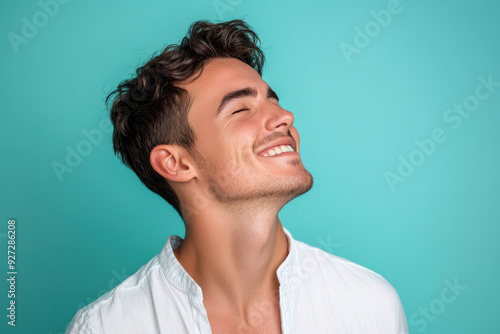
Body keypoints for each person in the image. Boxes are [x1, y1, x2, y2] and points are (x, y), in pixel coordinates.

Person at [66, 19, 408, 334]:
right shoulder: (107, 326)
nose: (284, 116)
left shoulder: (370, 304)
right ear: (176, 163)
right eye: (241, 109)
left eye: (273, 100)